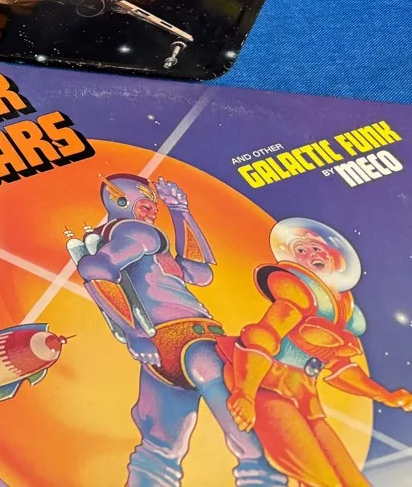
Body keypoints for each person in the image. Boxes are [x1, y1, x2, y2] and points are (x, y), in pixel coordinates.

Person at [73, 174, 281, 487]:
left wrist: (180, 212)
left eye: (153, 204)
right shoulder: (141, 233)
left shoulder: (147, 244)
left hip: (162, 354)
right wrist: (134, 333)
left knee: (158, 451)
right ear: (120, 201)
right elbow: (96, 269)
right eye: (144, 203)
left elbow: (198, 272)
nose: (151, 209)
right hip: (193, 339)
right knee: (250, 438)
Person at [220, 217, 412, 487]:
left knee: (353, 481)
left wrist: (385, 396)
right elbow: (264, 336)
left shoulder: (342, 309)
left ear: (334, 259)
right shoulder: (297, 291)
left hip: (304, 395)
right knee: (323, 480)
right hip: (266, 384)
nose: (312, 254)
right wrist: (246, 392)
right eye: (302, 250)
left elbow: (341, 368)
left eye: (318, 249)